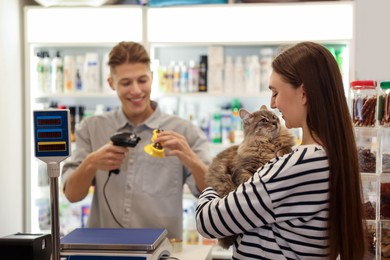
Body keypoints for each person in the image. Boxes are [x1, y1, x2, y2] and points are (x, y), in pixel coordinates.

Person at [196, 41, 366, 259]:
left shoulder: (297, 165)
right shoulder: (329, 156)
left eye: (275, 92)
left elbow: (208, 222)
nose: (273, 103)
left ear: (303, 93)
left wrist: (212, 185)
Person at [61, 41, 210, 239]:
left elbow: (210, 193)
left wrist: (192, 160)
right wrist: (91, 163)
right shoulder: (91, 128)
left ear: (152, 78)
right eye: (125, 83)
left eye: (142, 80)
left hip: (162, 252)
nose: (136, 90)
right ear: (111, 83)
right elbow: (72, 195)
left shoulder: (184, 131)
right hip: (105, 250)